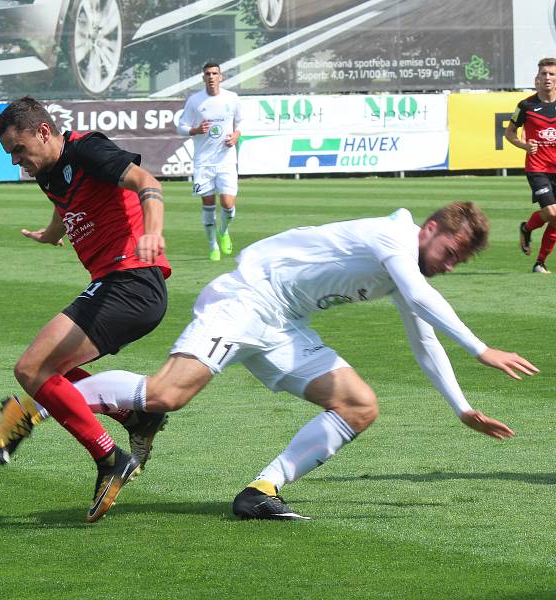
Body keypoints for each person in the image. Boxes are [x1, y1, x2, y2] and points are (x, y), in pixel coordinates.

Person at [67, 202, 538, 520]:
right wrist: (481, 349)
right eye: (450, 253)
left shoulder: (403, 268)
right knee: (167, 394)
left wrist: (461, 408)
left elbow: (425, 340)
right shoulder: (393, 237)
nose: (449, 265)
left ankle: (261, 491)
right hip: (250, 297)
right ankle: (40, 403)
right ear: (430, 229)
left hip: (284, 324)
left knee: (359, 405)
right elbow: (421, 295)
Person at [0, 96, 172, 523]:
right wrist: (52, 234)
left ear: (43, 132)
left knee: (32, 370)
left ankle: (110, 459)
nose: (18, 162)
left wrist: (154, 234)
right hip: (114, 285)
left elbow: (149, 182)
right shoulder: (48, 172)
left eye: (19, 149)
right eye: (10, 155)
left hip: (132, 283)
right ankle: (134, 417)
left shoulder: (87, 148)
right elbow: (64, 202)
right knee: (47, 372)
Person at [177, 62, 243, 261]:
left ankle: (223, 231)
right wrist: (195, 130)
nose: (211, 77)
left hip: (226, 160)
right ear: (203, 78)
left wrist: (236, 135)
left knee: (228, 203)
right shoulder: (195, 101)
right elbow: (181, 126)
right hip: (203, 162)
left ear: (221, 77)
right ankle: (212, 244)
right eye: (208, 74)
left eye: (215, 73)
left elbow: (242, 121)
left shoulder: (232, 98)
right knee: (208, 203)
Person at [505, 57, 556, 274]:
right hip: (538, 168)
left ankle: (539, 262)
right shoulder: (526, 105)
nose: (547, 78)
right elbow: (509, 133)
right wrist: (524, 146)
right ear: (537, 78)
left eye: (552, 74)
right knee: (554, 214)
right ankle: (527, 229)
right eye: (544, 74)